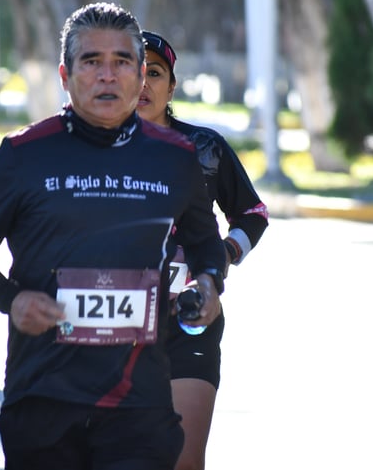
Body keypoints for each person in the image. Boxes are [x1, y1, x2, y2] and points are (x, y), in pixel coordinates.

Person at [0, 1, 227, 470]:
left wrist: (209, 282)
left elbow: (205, 241)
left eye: (121, 61)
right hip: (44, 395)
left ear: (142, 75)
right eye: (91, 61)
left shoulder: (176, 157)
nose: (107, 75)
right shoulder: (23, 154)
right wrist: (12, 300)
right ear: (65, 73)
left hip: (139, 402)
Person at [137, 30, 268, 470]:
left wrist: (224, 255)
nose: (142, 83)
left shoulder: (204, 148)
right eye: (130, 70)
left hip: (189, 318)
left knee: (184, 459)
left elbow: (253, 212)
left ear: (171, 85)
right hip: (112, 325)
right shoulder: (91, 151)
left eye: (154, 73)